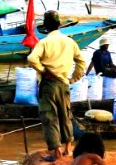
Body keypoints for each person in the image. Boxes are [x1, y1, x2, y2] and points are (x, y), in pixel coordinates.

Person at [27, 10, 87, 162]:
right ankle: (68, 148)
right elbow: (81, 62)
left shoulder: (44, 42)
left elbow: (32, 59)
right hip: (64, 83)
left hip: (49, 84)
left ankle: (56, 152)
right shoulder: (70, 42)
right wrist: (74, 78)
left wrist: (43, 70)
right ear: (59, 25)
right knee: (65, 115)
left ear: (46, 26)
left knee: (50, 117)